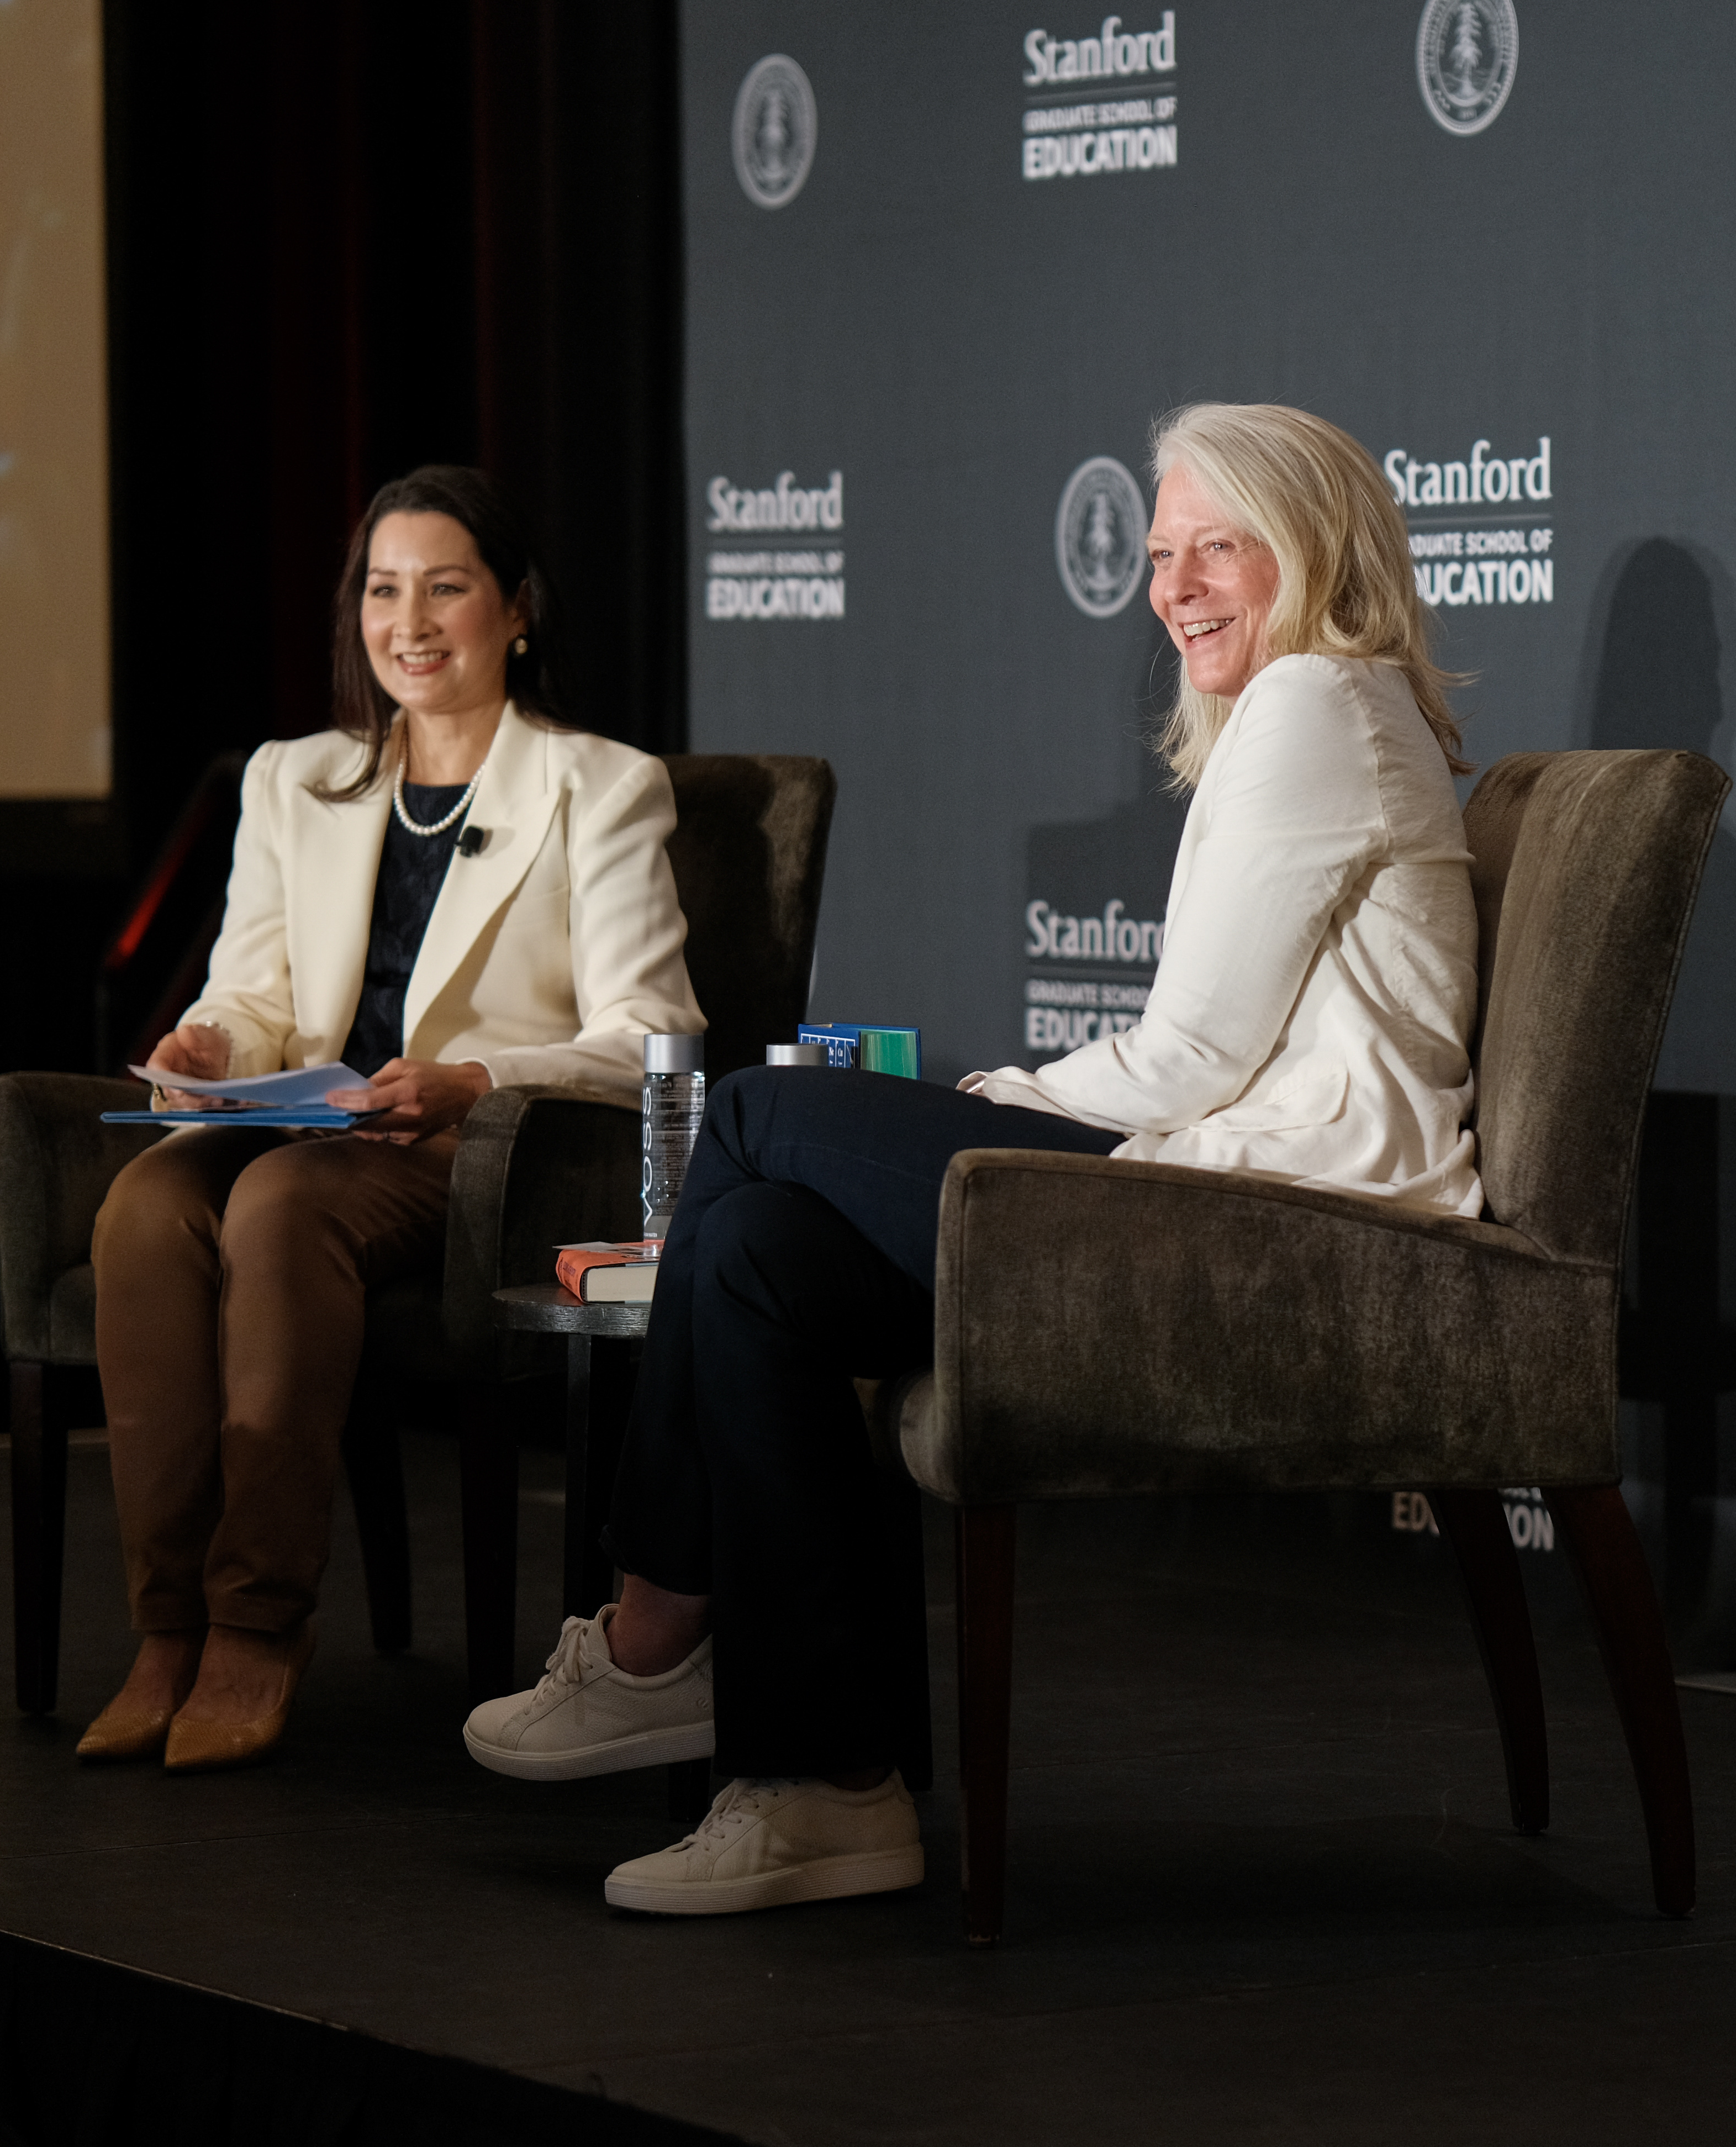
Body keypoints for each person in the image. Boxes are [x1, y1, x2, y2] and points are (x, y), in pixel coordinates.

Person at [461, 402, 1480, 1914]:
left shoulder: (1316, 704)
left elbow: (1192, 1056)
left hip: (1291, 1222)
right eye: (1162, 555)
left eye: (1221, 549)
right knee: (750, 1254)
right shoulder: (1315, 708)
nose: (1178, 588)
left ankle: (653, 1632)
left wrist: (996, 1099)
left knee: (749, 1118)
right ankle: (824, 1791)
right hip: (1225, 1176)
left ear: (1316, 550)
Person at [82, 466, 703, 1772]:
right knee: (145, 1205)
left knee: (278, 1205)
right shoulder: (293, 780)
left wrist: (474, 1079)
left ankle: (257, 1622)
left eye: (445, 589)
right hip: (308, 1125)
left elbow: (651, 1030)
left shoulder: (601, 786)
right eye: (382, 590)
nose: (408, 623)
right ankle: (166, 1626)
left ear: (516, 610)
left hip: (477, 1153)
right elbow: (255, 993)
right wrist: (212, 1043)